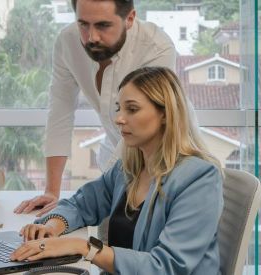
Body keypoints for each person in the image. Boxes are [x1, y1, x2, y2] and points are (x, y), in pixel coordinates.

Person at [10, 67, 223, 275]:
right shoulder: (128, 169)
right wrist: (52, 227)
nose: (119, 118)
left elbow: (166, 266)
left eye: (132, 109)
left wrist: (83, 247)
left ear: (165, 114)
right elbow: (82, 204)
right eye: (119, 108)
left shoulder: (199, 179)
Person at [14, 0, 176, 216]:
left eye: (103, 25)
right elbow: (60, 113)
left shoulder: (156, 48)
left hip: (163, 156)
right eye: (83, 24)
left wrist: (88, 199)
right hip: (115, 148)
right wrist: (52, 191)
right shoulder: (68, 42)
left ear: (129, 18)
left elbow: (142, 125)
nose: (91, 38)